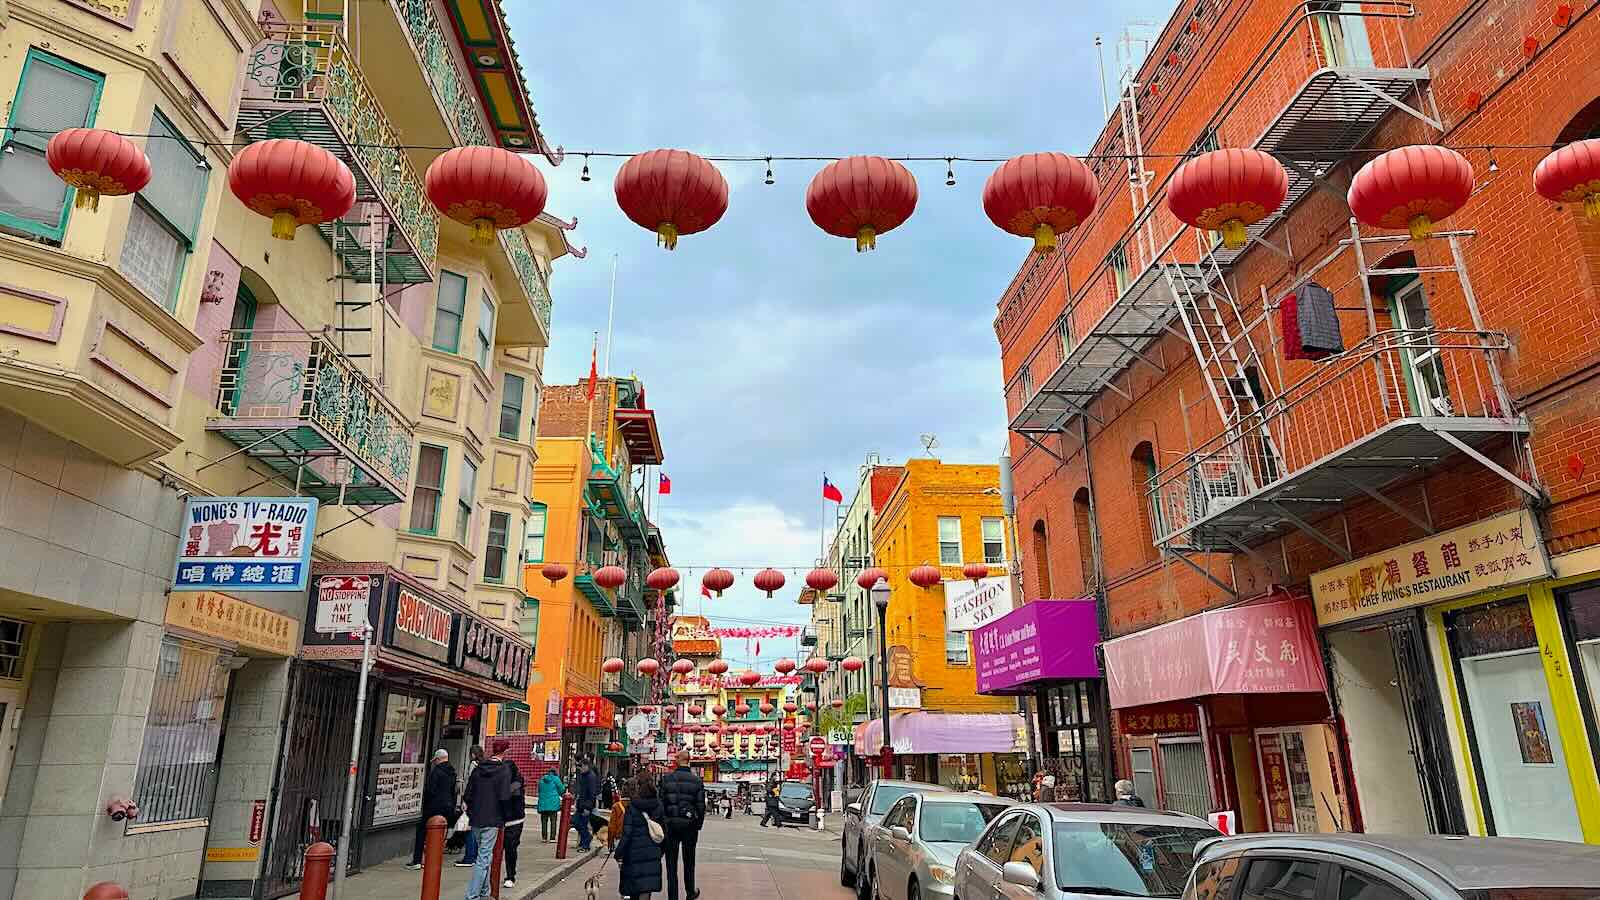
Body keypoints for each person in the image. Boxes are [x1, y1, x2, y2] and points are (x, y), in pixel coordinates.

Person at [462, 742, 515, 900]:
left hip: (476, 818)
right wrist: (506, 817)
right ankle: (472, 895)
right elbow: (505, 796)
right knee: (483, 858)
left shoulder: (478, 768)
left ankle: (484, 892)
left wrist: (471, 811)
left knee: (482, 855)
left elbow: (468, 793)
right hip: (493, 819)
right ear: (504, 752)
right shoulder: (503, 771)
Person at [658, 750, 705, 900]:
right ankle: (690, 891)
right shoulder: (697, 781)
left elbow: (661, 804)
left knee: (671, 863)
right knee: (689, 861)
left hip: (671, 826)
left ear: (679, 760)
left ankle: (673, 896)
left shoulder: (667, 779)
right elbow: (701, 806)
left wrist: (664, 822)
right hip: (689, 826)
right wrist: (697, 825)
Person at [615, 772, 665, 900]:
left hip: (633, 854)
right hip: (652, 853)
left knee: (634, 889)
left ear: (638, 787)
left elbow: (627, 833)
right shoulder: (658, 805)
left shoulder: (633, 806)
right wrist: (660, 851)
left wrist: (619, 853)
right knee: (646, 889)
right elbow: (664, 832)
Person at [408, 749, 457, 869]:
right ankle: (434, 858)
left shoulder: (436, 772)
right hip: (448, 806)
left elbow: (430, 790)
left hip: (434, 807)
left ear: (438, 759)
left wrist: (425, 805)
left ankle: (417, 860)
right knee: (440, 833)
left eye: (435, 760)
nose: (434, 763)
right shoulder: (452, 772)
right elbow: (453, 791)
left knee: (422, 830)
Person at [499, 740, 526, 890]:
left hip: (514, 820)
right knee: (501, 849)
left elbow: (511, 796)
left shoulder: (516, 784)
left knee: (510, 848)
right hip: (503, 819)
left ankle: (510, 876)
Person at [457, 746, 486, 866]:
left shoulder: (473, 765)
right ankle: (474, 855)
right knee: (476, 830)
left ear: (473, 754)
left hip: (472, 801)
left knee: (470, 829)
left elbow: (470, 784)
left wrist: (465, 800)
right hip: (481, 802)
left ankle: (470, 857)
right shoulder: (484, 765)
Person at [573, 756, 601, 851]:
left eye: (582, 766)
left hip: (586, 806)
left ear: (586, 766)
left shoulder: (591, 777)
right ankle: (584, 841)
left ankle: (585, 844)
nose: (580, 768)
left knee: (582, 824)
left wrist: (588, 808)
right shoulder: (583, 776)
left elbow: (592, 794)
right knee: (576, 822)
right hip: (581, 804)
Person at [537, 768, 565, 843]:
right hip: (553, 803)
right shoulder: (556, 779)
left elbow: (539, 790)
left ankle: (544, 837)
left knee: (544, 821)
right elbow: (562, 789)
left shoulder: (542, 779)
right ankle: (552, 838)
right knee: (553, 821)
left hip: (543, 803)